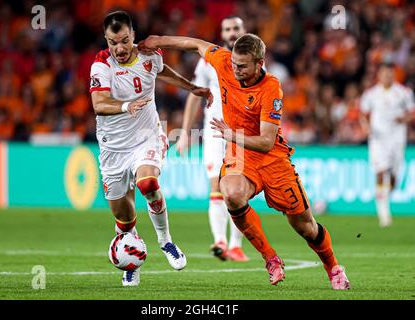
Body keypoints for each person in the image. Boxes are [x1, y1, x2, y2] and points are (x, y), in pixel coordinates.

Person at [139, 33, 350, 290]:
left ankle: (333, 267)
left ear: (259, 63)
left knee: (305, 226)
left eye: (242, 65)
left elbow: (266, 142)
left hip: (272, 159)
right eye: (235, 63)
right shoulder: (225, 61)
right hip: (240, 154)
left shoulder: (271, 88)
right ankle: (270, 258)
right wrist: (158, 40)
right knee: (231, 194)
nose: (235, 69)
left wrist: (231, 134)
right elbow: (195, 44)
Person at [90, 11, 213, 286]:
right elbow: (99, 104)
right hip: (113, 149)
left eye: (124, 41)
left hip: (147, 136)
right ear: (106, 41)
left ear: (133, 35)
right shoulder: (101, 64)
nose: (119, 49)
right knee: (123, 217)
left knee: (147, 183)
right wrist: (124, 106)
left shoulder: (149, 55)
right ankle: (132, 257)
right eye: (113, 42)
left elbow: (162, 71)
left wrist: (191, 87)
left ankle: (165, 241)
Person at [176, 16, 249, 262]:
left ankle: (236, 244)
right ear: (222, 32)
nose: (231, 33)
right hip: (213, 132)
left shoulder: (254, 61)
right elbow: (195, 95)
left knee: (237, 190)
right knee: (216, 185)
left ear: (244, 30)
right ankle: (220, 241)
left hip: (239, 134)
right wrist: (185, 132)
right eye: (227, 28)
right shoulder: (209, 60)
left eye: (235, 28)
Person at [361, 63, 415, 227]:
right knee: (380, 171)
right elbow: (363, 114)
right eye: (384, 74)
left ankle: (384, 195)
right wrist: (366, 127)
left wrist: (403, 119)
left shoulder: (403, 93)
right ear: (379, 75)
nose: (387, 77)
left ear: (394, 75)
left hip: (397, 139)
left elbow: (412, 112)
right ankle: (383, 214)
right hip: (378, 138)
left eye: (390, 74)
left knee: (393, 178)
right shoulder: (371, 94)